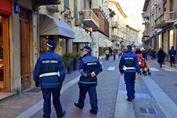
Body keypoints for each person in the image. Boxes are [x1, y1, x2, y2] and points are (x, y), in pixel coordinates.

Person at [33, 38, 66, 118]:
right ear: (54, 48)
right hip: (56, 83)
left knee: (46, 100)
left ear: (48, 47)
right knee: (56, 99)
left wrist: (36, 81)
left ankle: (46, 116)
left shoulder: (41, 58)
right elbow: (62, 72)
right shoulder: (58, 57)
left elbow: (36, 71)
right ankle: (59, 114)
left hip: (44, 84)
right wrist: (60, 81)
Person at [74, 46, 102, 115]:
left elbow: (81, 71)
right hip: (93, 81)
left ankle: (80, 105)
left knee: (82, 95)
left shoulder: (83, 59)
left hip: (84, 81)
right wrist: (95, 72)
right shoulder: (95, 59)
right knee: (93, 96)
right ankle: (94, 109)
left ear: (87, 51)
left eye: (83, 51)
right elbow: (100, 68)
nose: (82, 52)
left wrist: (87, 75)